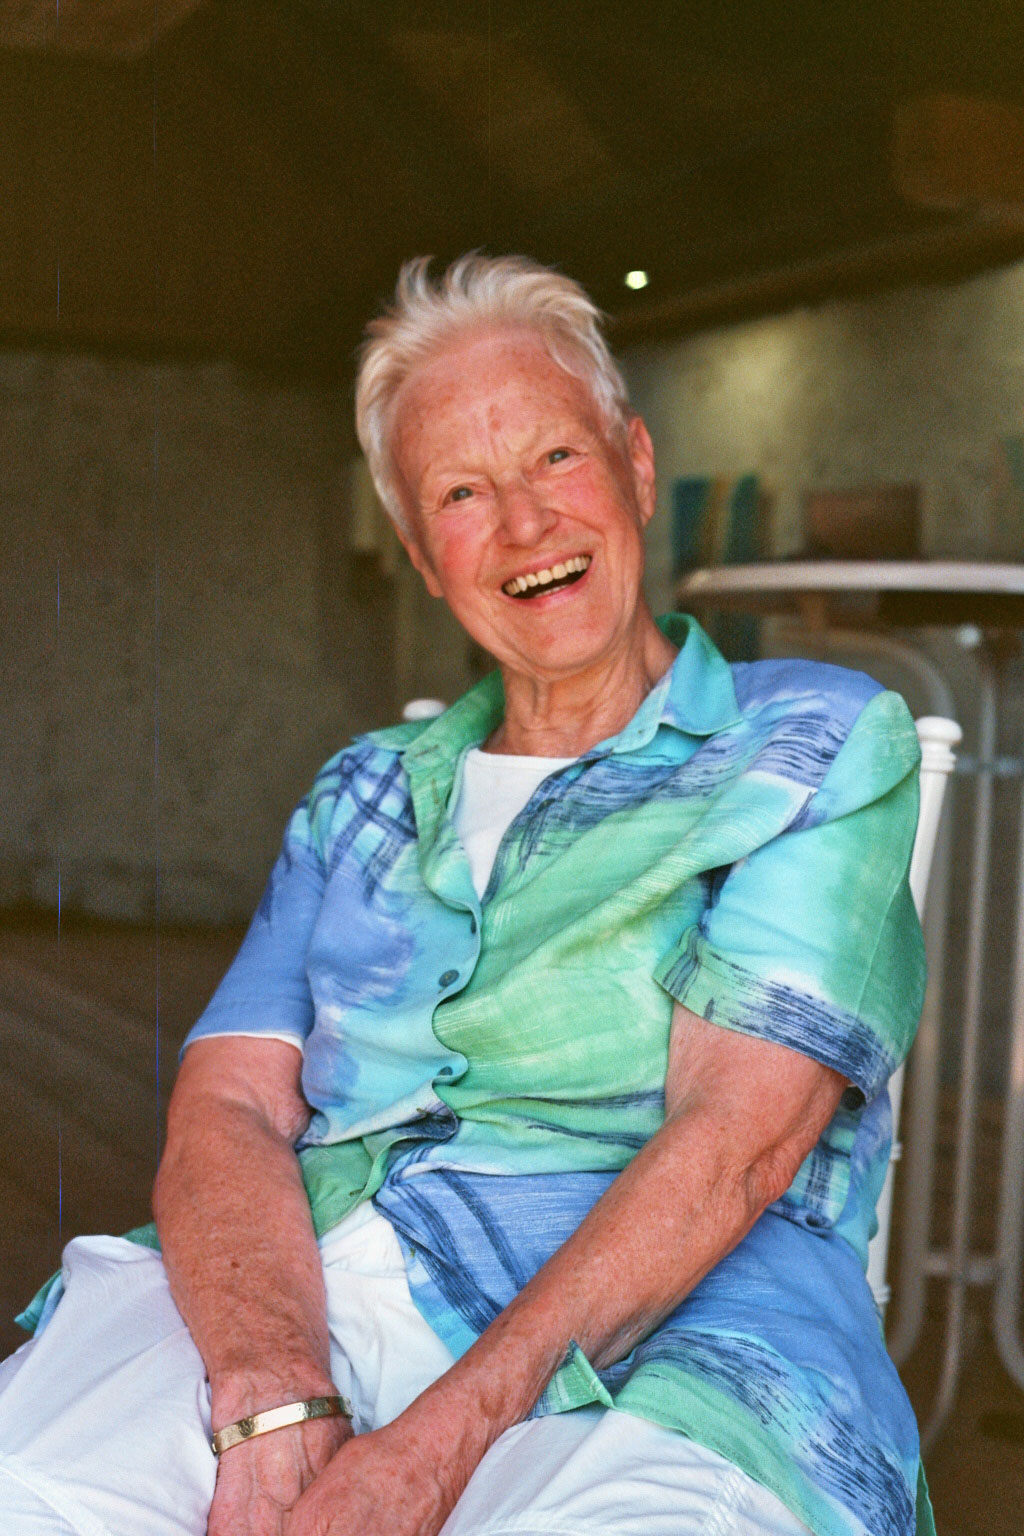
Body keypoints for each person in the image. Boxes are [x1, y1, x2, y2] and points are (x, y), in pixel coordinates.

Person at [0, 254, 931, 1536]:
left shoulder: (807, 748)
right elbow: (229, 1101)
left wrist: (429, 1452)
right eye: (460, 491)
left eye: (555, 457)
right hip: (316, 1280)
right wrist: (272, 1388)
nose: (526, 523)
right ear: (423, 558)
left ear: (635, 466)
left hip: (685, 1331)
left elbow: (735, 1144)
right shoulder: (363, 792)